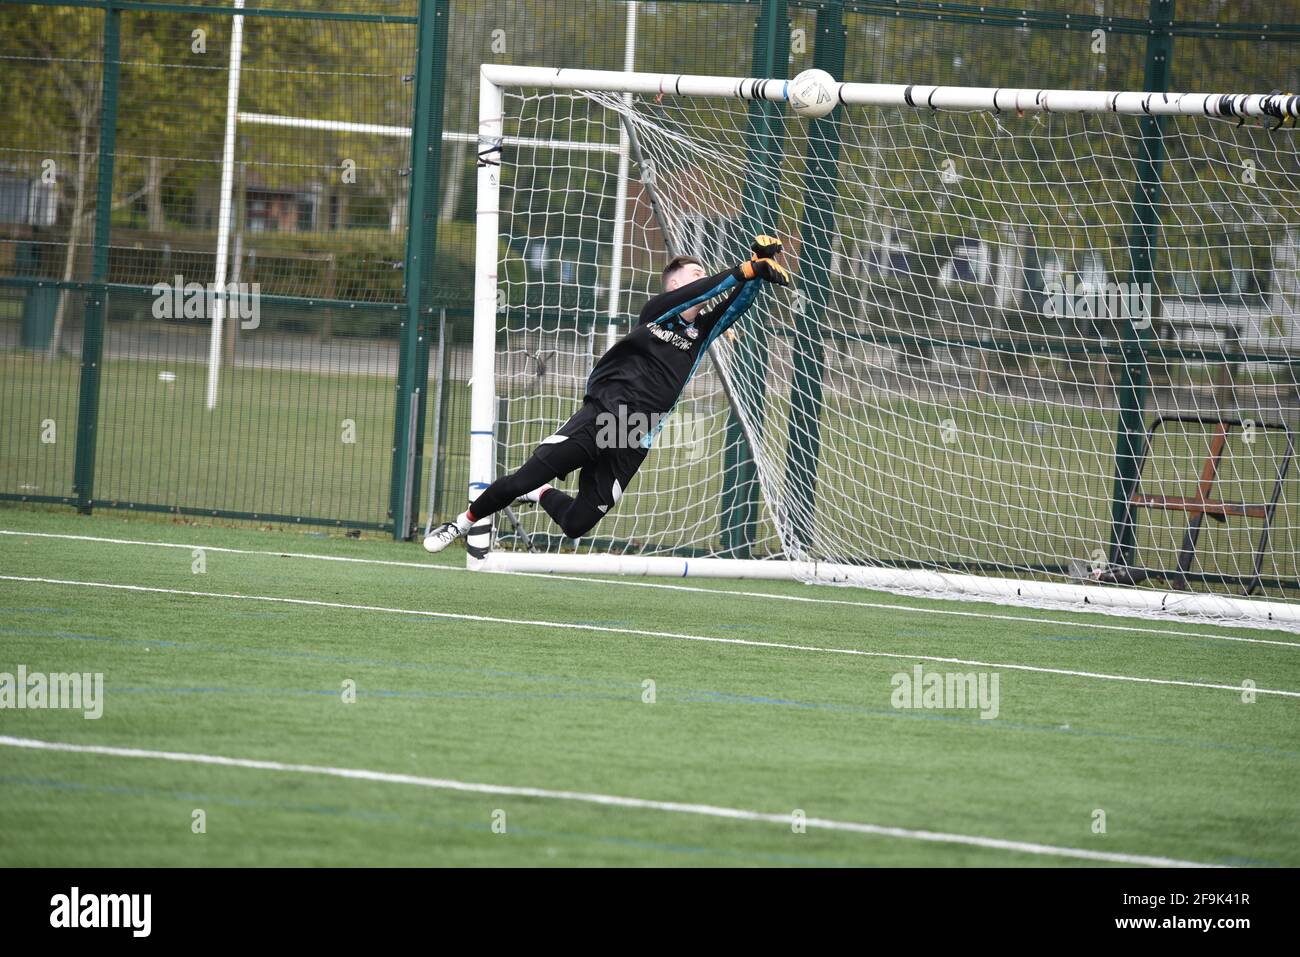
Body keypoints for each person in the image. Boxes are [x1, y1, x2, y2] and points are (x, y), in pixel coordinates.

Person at [423, 235, 791, 557]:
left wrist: (757, 272)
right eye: (694, 274)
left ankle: (542, 493)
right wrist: (746, 268)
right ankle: (461, 523)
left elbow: (734, 305)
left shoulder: (702, 333)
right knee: (519, 481)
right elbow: (706, 290)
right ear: (674, 285)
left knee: (577, 523)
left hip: (634, 434)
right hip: (602, 417)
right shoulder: (657, 312)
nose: (701, 278)